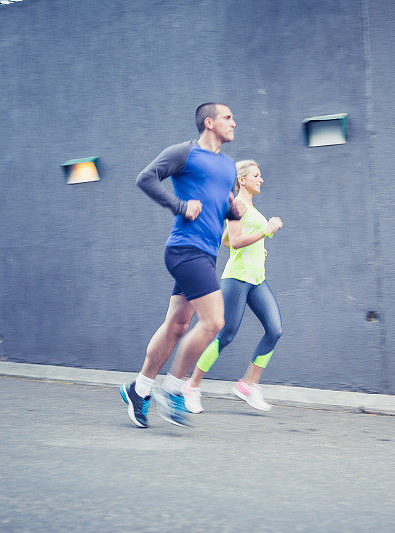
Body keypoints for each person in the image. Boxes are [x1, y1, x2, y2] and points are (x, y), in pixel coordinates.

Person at [120, 103, 246, 428]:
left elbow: (225, 209)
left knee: (177, 326)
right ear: (209, 122)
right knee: (215, 321)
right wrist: (178, 206)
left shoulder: (229, 166)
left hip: (205, 254)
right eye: (227, 117)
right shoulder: (185, 153)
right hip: (184, 250)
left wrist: (235, 212)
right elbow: (145, 178)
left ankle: (140, 388)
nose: (234, 122)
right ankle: (173, 389)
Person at [182, 159, 283, 413]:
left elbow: (226, 240)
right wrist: (265, 232)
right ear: (242, 180)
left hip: (256, 278)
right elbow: (236, 241)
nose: (261, 179)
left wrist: (258, 250)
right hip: (237, 278)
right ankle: (192, 386)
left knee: (275, 330)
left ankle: (248, 385)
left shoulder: (250, 207)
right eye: (256, 175)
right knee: (225, 334)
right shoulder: (237, 204)